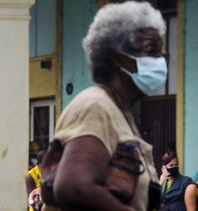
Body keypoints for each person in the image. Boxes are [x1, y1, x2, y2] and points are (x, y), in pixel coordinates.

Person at [44, 2, 167, 211]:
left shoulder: (120, 113)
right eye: (150, 50)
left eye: (160, 52)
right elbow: (73, 186)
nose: (161, 59)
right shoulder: (95, 105)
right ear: (118, 57)